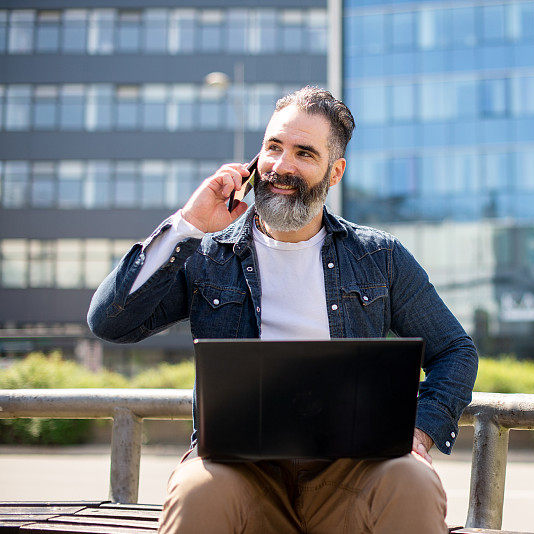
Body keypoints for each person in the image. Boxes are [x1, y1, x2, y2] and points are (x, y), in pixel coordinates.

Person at [88, 86, 478, 534]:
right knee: (195, 487)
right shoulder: (206, 255)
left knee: (412, 478)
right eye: (273, 147)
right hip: (239, 471)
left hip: (353, 471)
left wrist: (420, 433)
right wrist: (188, 225)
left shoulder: (379, 257)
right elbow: (110, 322)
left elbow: (455, 351)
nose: (281, 166)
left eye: (304, 153)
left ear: (335, 173)